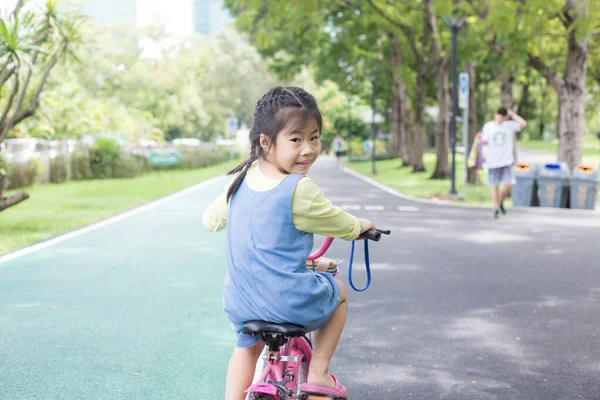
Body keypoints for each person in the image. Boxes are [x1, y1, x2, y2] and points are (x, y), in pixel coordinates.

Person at [202, 87, 376, 400]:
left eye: (314, 137)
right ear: (266, 142)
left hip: (240, 302)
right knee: (339, 295)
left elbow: (210, 221)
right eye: (296, 139)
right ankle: (320, 374)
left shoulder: (238, 181)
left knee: (246, 349)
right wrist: (360, 227)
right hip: (288, 300)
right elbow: (339, 222)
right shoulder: (299, 189)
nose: (308, 149)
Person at [481, 107, 527, 218]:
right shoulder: (488, 126)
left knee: (509, 184)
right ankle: (496, 209)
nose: (500, 118)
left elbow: (523, 123)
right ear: (495, 114)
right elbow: (484, 141)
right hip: (493, 161)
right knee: (494, 186)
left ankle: (500, 200)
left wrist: (512, 114)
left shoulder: (509, 126)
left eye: (503, 116)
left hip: (507, 161)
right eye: (499, 115)